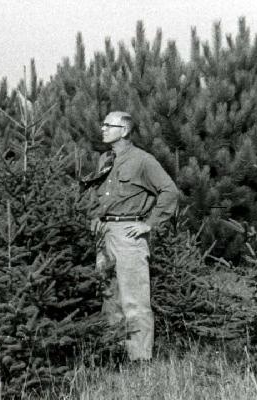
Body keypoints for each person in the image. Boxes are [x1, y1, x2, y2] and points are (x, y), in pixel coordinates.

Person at [80, 111, 179, 361]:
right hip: (104, 233)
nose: (102, 128)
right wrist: (95, 217)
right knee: (109, 298)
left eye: (108, 125)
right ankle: (115, 356)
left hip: (128, 234)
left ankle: (140, 360)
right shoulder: (105, 158)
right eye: (102, 124)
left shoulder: (143, 160)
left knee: (134, 299)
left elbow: (169, 191)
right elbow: (99, 194)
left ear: (124, 130)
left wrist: (150, 224)